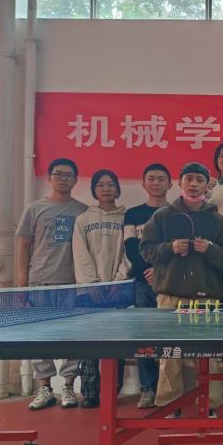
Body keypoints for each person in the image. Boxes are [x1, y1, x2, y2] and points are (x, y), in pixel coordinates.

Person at [140, 162, 223, 417]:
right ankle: (170, 405)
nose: (193, 184)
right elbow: (146, 250)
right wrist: (169, 248)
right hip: (169, 298)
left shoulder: (217, 220)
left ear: (207, 184)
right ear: (180, 182)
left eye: (199, 180)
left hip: (206, 300)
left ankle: (210, 405)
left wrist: (210, 249)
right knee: (169, 357)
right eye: (189, 179)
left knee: (207, 356)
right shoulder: (162, 216)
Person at [16, 158, 88, 411]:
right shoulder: (34, 209)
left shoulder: (83, 211)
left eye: (68, 175)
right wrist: (23, 283)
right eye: (58, 174)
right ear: (49, 178)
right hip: (40, 282)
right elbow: (23, 246)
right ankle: (44, 388)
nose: (63, 178)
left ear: (76, 180)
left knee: (72, 338)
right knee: (39, 337)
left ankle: (68, 385)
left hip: (71, 284)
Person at [73, 169, 129, 408]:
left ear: (118, 189)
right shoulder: (83, 220)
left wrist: (117, 281)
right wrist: (92, 284)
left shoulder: (127, 217)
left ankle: (111, 390)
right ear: (94, 190)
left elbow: (128, 253)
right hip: (90, 291)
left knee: (116, 343)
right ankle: (89, 392)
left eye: (111, 184)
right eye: (101, 185)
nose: (106, 189)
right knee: (90, 343)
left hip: (118, 290)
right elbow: (80, 254)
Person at [124, 164, 172, 408]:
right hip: (143, 283)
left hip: (170, 284)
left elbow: (177, 248)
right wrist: (148, 270)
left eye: (161, 179)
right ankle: (148, 388)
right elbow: (132, 248)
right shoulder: (132, 214)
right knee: (143, 336)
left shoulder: (176, 212)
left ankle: (168, 388)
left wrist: (161, 271)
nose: (156, 183)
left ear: (170, 184)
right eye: (151, 179)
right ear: (143, 184)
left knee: (170, 336)